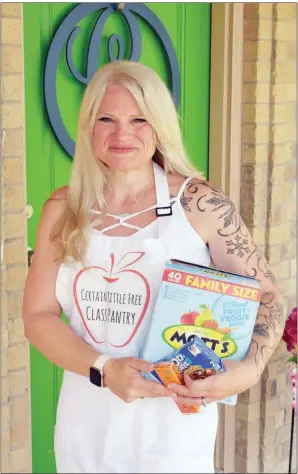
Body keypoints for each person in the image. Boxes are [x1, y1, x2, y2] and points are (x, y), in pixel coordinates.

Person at [23, 61, 285, 473]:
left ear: (160, 124)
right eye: (106, 118)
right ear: (89, 126)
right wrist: (105, 370)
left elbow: (268, 295)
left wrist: (248, 371)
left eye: (139, 119)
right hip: (86, 425)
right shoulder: (63, 208)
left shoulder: (201, 204)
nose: (122, 133)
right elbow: (37, 317)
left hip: (174, 433)